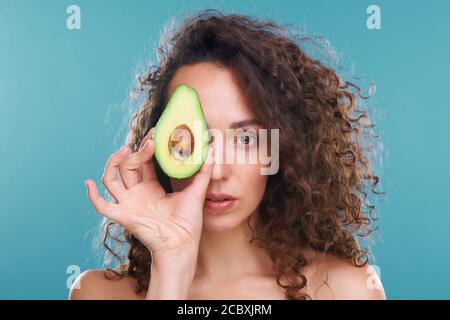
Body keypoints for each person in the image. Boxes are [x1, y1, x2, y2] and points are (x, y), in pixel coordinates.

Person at [69, 9, 386, 300]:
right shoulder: (97, 293)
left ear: (279, 148)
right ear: (155, 148)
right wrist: (172, 265)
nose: (217, 171)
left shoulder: (347, 289)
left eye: (246, 138)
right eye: (190, 140)